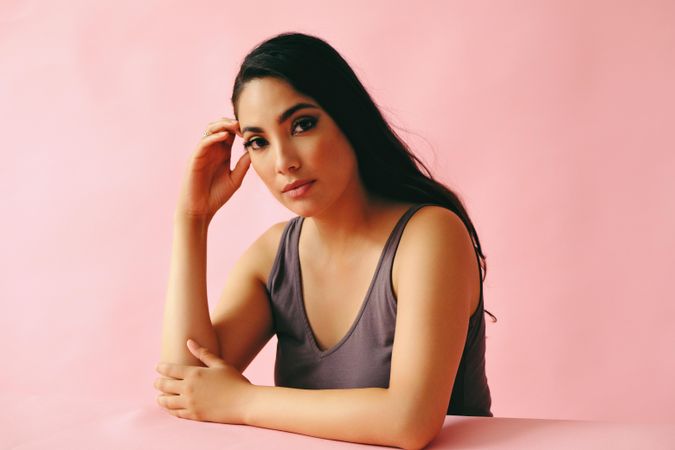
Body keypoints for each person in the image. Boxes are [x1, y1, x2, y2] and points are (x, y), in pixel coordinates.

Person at [156, 31, 496, 449]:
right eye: (258, 142)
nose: (284, 162)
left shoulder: (429, 236)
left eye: (302, 124)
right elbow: (184, 383)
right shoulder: (273, 255)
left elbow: (410, 421)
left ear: (348, 118)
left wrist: (242, 401)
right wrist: (192, 221)